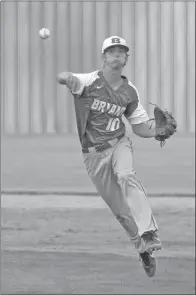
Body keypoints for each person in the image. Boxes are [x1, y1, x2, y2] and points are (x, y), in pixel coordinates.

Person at [57, 36, 162, 278]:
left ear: (126, 58)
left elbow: (140, 127)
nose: (116, 54)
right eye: (112, 51)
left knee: (126, 175)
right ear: (104, 57)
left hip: (119, 144)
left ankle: (149, 232)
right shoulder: (88, 81)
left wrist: (157, 130)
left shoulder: (130, 91)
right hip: (93, 156)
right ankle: (143, 249)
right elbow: (64, 77)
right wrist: (65, 78)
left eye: (121, 51)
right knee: (121, 211)